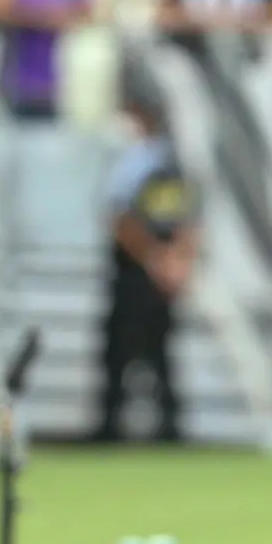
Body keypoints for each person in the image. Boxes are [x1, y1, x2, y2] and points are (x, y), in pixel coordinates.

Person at [90, 92, 199, 444]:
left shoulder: (135, 163)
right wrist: (174, 262)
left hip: (138, 273)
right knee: (155, 353)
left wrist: (157, 259)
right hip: (156, 271)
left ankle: (116, 426)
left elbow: (121, 219)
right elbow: (187, 222)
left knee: (126, 351)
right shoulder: (172, 163)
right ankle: (166, 427)